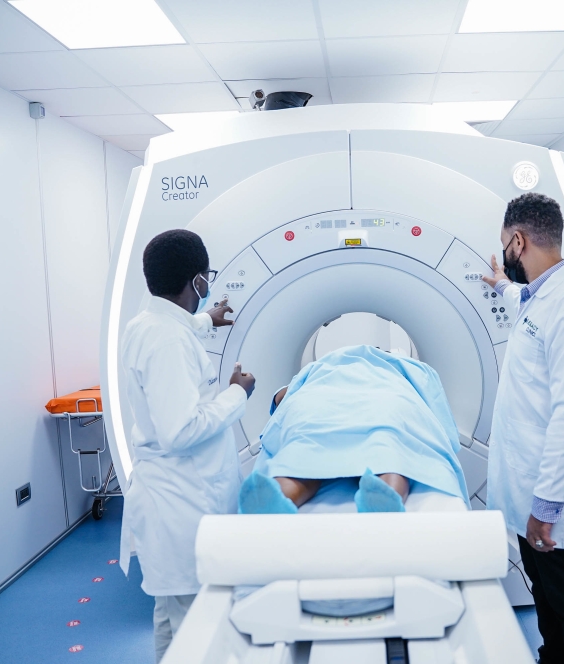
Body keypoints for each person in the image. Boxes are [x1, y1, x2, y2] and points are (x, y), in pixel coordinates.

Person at [120, 229, 256, 662]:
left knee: (169, 620)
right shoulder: (168, 341)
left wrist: (206, 319)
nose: (209, 284)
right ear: (197, 281)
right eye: (207, 277)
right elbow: (180, 431)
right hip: (182, 505)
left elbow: (178, 327)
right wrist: (237, 394)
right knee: (196, 627)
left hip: (172, 500)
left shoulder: (149, 324)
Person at [482, 193, 564, 664]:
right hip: (528, 487)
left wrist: (546, 506)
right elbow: (523, 305)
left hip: (554, 498)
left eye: (504, 248)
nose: (506, 257)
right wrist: (500, 283)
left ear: (519, 240)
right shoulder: (540, 297)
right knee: (545, 595)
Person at [237, 344, 469, 514]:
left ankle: (281, 494)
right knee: (387, 445)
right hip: (385, 399)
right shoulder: (404, 367)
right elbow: (432, 399)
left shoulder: (317, 367)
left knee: (305, 452)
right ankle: (386, 490)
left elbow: (281, 401)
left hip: (318, 405)